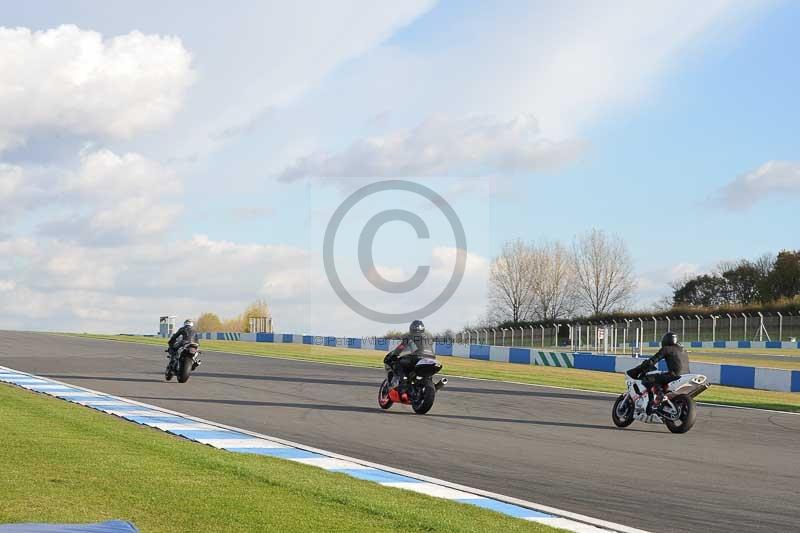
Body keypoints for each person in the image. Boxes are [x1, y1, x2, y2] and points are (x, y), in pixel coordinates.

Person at [627, 331, 689, 413]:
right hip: (686, 375)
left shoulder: (667, 349)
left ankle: (656, 399)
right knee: (660, 377)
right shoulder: (683, 350)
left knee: (647, 379)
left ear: (666, 340)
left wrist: (637, 369)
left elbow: (652, 361)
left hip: (674, 375)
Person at [384, 320, 428, 391]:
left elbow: (401, 347)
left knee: (398, 363)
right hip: (430, 358)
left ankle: (403, 382)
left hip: (418, 357)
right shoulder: (427, 338)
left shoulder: (410, 336)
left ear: (411, 328)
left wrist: (394, 354)